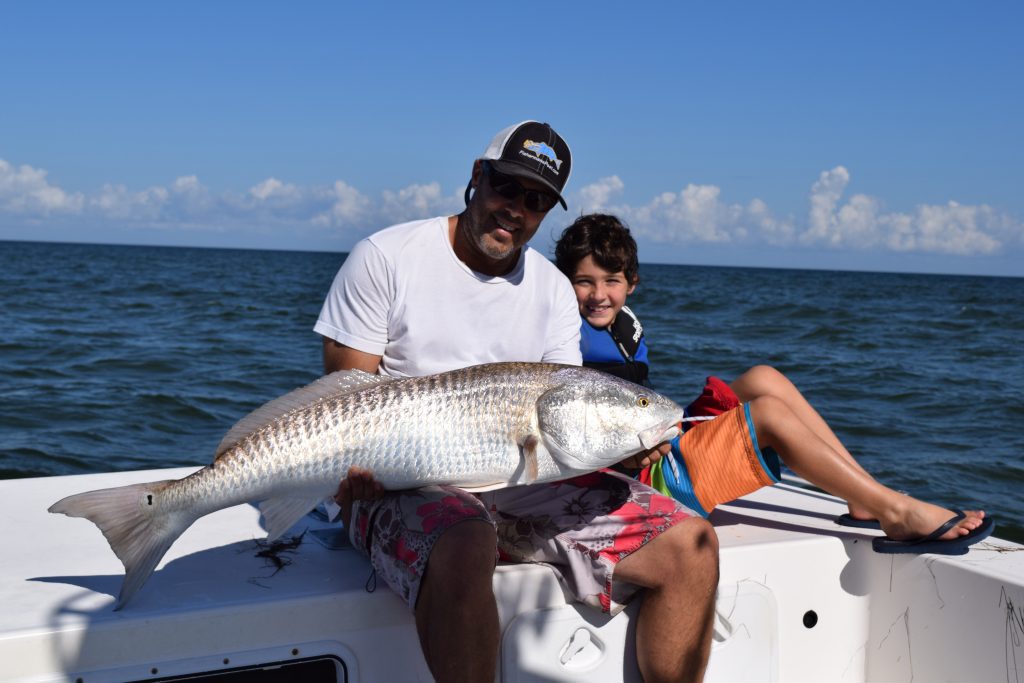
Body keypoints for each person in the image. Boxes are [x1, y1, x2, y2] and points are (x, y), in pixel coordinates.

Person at [314, 123, 718, 683]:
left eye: (536, 201)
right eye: (508, 187)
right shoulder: (386, 256)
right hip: (398, 485)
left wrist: (621, 448)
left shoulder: (553, 289)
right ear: (478, 176)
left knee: (691, 545)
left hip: (521, 484)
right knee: (462, 540)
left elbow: (564, 415)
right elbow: (342, 407)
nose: (516, 209)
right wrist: (351, 476)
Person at [554, 213, 993, 554]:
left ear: (631, 283)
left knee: (765, 378)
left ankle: (864, 496)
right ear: (563, 283)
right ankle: (895, 512)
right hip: (638, 481)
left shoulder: (624, 326)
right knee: (767, 417)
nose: (598, 295)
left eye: (611, 281)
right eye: (583, 282)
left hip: (657, 445)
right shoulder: (563, 335)